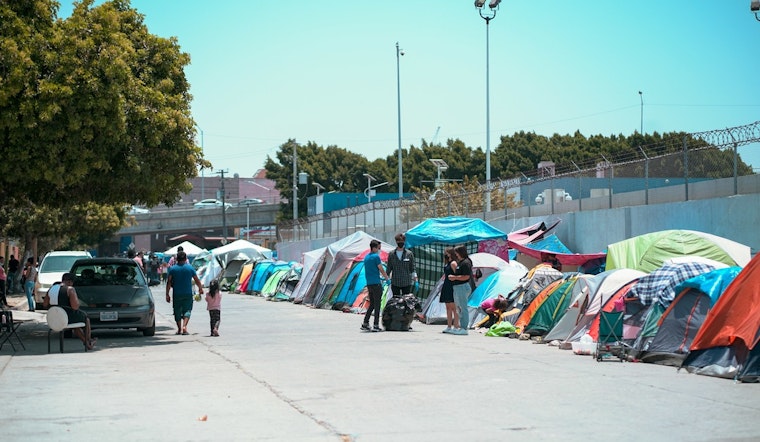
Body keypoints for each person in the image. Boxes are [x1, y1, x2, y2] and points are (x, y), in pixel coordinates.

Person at [166, 251, 204, 335]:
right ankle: (184, 327)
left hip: (176, 294)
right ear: (186, 259)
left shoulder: (173, 269)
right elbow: (196, 279)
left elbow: (169, 282)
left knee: (177, 311)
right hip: (187, 293)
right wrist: (200, 288)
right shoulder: (190, 268)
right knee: (187, 309)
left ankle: (179, 329)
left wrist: (167, 294)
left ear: (177, 259)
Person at [55, 273, 96, 350]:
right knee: (85, 318)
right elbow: (75, 307)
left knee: (76, 325)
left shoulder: (52, 289)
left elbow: (45, 304)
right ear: (70, 282)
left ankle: (87, 343)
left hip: (54, 317)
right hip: (67, 317)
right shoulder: (70, 289)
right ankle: (89, 341)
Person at [361, 239, 390, 332]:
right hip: (376, 284)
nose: (379, 250)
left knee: (372, 304)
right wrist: (387, 279)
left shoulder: (366, 258)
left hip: (369, 284)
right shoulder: (375, 257)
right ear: (374, 248)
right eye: (378, 248)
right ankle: (376, 325)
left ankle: (365, 322)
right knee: (377, 305)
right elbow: (381, 269)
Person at [447, 245, 473, 335]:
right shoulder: (461, 262)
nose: (456, 254)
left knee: (463, 307)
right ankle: (461, 326)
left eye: (457, 252)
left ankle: (464, 327)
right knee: (459, 308)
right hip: (458, 287)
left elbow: (466, 276)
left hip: (462, 286)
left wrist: (454, 277)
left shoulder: (466, 262)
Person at [386, 232, 417, 297]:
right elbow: (388, 268)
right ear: (396, 242)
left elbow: (413, 268)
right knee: (396, 301)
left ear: (404, 241)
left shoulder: (409, 254)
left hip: (406, 282)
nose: (400, 243)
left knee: (406, 301)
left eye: (402, 241)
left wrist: (416, 280)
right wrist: (386, 279)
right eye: (399, 241)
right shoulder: (391, 254)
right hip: (395, 282)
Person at [440, 248, 458, 334]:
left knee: (454, 307)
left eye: (446, 253)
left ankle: (456, 326)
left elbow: (456, 275)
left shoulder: (453, 263)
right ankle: (449, 326)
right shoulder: (447, 263)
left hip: (452, 286)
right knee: (448, 307)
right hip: (446, 284)